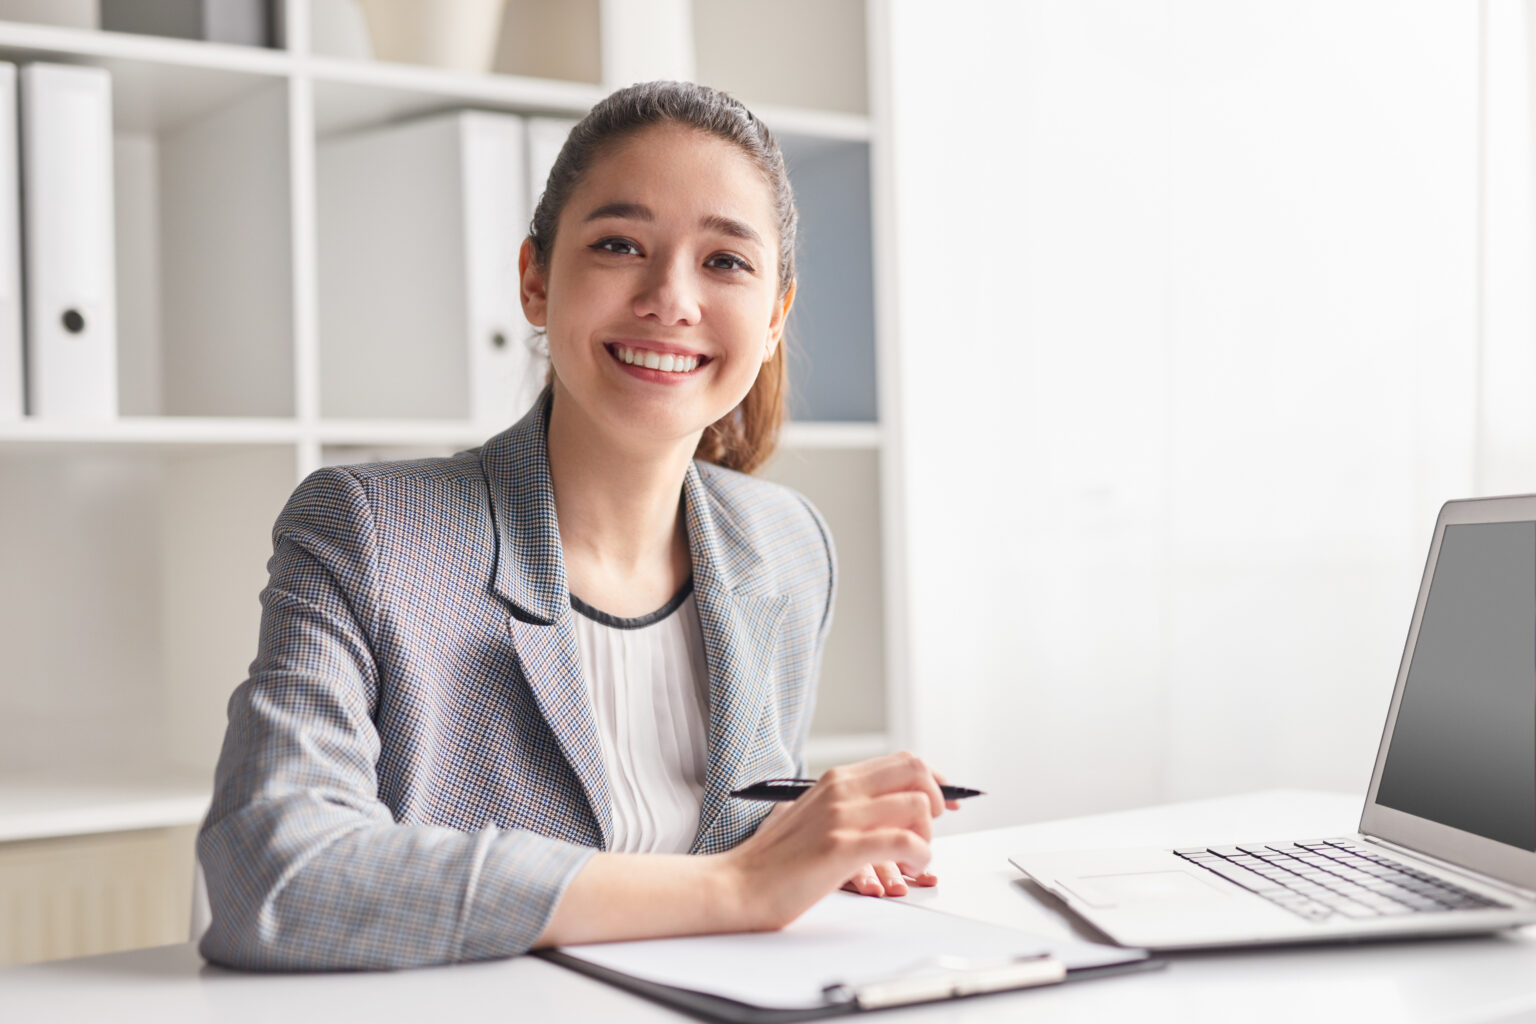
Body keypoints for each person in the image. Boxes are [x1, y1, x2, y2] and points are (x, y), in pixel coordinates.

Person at [197, 80, 957, 971]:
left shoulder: (789, 546)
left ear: (777, 314)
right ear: (535, 279)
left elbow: (721, 837)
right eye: (619, 245)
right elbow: (275, 874)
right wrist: (739, 885)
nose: (672, 298)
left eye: (726, 262)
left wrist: (801, 847)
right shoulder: (368, 531)